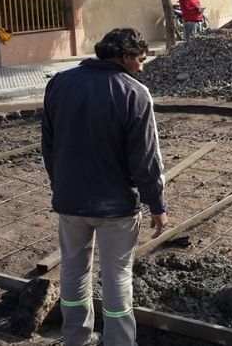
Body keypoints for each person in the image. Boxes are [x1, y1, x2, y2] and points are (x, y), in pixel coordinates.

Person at [42, 28, 167, 346]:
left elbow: (50, 146)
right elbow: (145, 159)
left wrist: (61, 187)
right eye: (140, 60)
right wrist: (157, 204)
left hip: (71, 202)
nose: (142, 67)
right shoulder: (134, 93)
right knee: (117, 277)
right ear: (125, 57)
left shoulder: (59, 84)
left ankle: (76, 338)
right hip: (116, 208)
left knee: (73, 271)